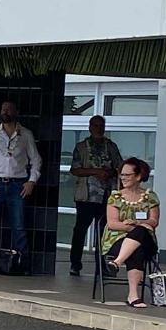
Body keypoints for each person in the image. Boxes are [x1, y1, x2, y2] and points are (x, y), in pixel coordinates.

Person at [0, 101, 41, 274]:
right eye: (3, 108)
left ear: (16, 112)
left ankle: (23, 264)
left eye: (9, 109)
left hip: (17, 184)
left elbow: (36, 160)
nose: (5, 111)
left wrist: (31, 181)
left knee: (19, 225)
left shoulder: (25, 134)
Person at [68, 115, 123, 276]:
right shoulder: (81, 147)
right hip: (86, 196)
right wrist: (95, 171)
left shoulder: (111, 146)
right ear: (90, 127)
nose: (98, 128)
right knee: (80, 230)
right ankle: (75, 264)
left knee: (104, 232)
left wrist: (109, 172)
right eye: (95, 125)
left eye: (101, 126)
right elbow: (75, 169)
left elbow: (120, 167)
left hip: (106, 196)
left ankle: (102, 266)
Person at [101, 157, 160, 308]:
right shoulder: (116, 197)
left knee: (141, 232)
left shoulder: (150, 196)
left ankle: (116, 263)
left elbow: (154, 222)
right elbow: (112, 223)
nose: (123, 178)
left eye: (127, 175)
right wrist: (128, 227)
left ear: (138, 176)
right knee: (136, 248)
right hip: (117, 239)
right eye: (121, 174)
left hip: (146, 239)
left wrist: (138, 224)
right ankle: (133, 296)